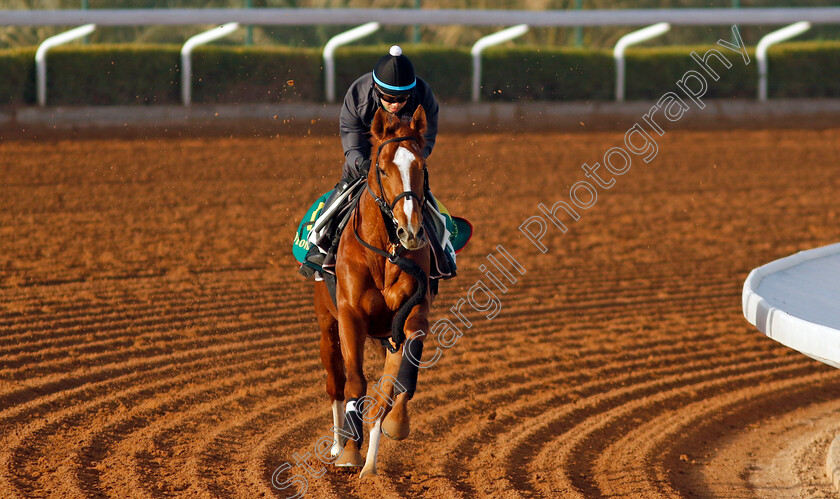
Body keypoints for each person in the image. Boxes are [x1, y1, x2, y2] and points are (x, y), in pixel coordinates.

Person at [300, 45, 455, 280]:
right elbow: (351, 146)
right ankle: (319, 244)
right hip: (364, 160)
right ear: (376, 89)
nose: (395, 104)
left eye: (402, 99)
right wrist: (365, 165)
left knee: (422, 195)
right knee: (344, 188)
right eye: (390, 98)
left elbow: (426, 141)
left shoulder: (424, 96)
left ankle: (443, 250)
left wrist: (407, 162)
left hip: (402, 163)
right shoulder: (357, 96)